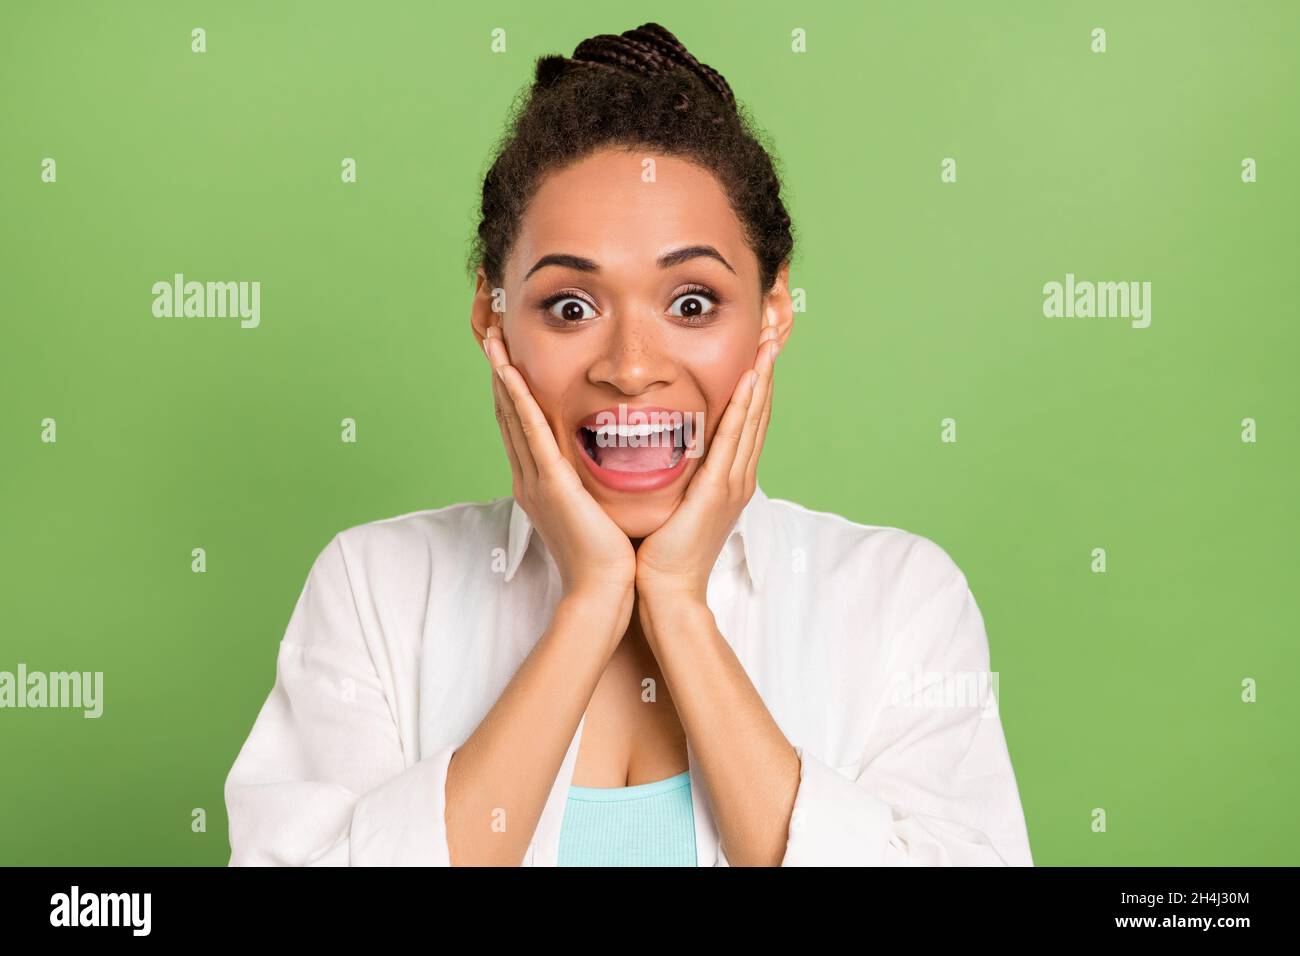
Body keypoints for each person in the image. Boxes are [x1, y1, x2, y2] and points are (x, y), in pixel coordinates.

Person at [224, 21, 1033, 867]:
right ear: (490, 316)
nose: (632, 368)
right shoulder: (374, 589)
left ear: (774, 312)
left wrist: (679, 607)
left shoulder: (900, 602)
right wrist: (590, 603)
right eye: (572, 306)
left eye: (692, 302)